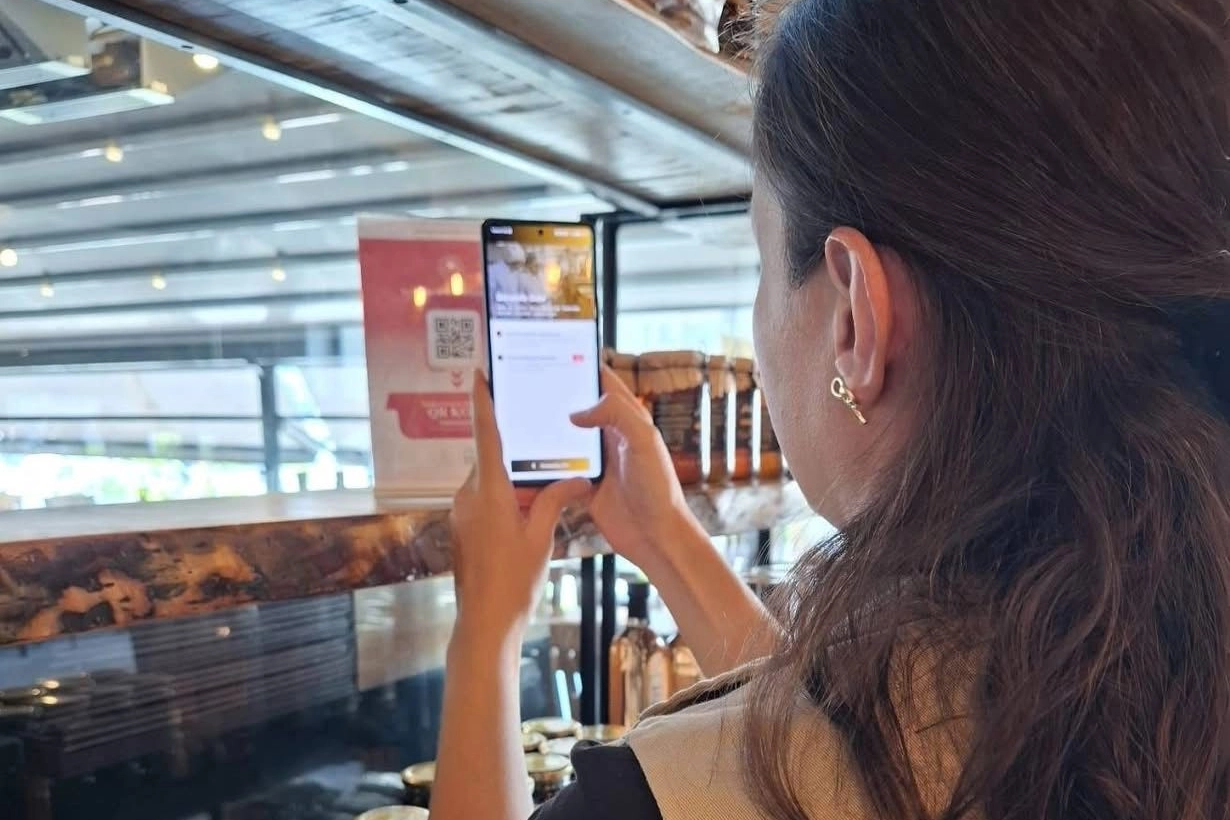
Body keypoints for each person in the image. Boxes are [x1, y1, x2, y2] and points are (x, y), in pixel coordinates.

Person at [431, 0, 1230, 818]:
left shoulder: (647, 801)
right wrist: (665, 537)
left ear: (857, 317)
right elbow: (855, 740)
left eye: (762, 260)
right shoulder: (1153, 660)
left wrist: (485, 632)